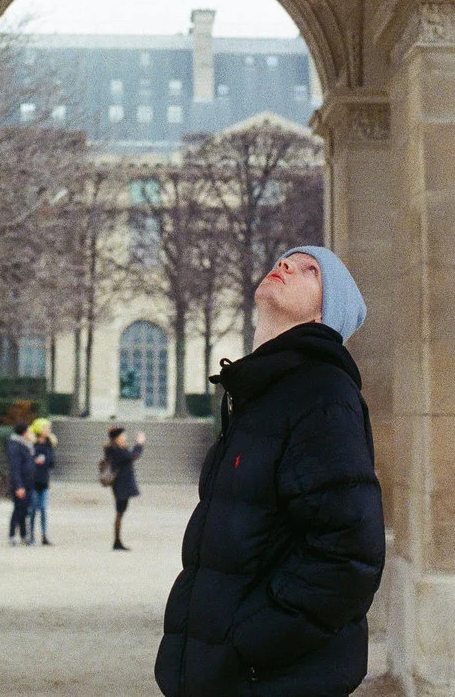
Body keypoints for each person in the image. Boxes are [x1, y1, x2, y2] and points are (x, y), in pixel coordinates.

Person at [155, 246, 386, 697]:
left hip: (274, 675)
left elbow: (349, 554)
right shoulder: (262, 393)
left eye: (310, 271)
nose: (286, 265)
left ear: (326, 314)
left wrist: (252, 641)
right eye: (285, 260)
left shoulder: (323, 394)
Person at [104, 424, 145, 551]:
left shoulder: (118, 448)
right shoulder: (114, 449)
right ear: (116, 437)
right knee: (119, 511)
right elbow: (132, 456)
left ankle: (117, 540)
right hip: (120, 484)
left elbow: (131, 456)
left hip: (123, 483)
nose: (124, 437)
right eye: (122, 435)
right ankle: (117, 541)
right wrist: (139, 444)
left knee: (121, 511)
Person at [27, 418, 57, 546]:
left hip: (44, 480)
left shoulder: (49, 444)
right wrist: (35, 460)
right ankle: (31, 535)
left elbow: (52, 462)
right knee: (33, 509)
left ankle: (44, 535)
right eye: (46, 428)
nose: (48, 430)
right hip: (33, 480)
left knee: (43, 509)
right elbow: (28, 461)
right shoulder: (32, 444)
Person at [6, 420, 36, 544]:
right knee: (18, 509)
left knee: (24, 510)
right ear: (24, 433)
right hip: (21, 484)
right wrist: (19, 486)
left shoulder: (26, 445)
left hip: (27, 483)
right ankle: (12, 534)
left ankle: (24, 535)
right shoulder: (16, 446)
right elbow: (15, 467)